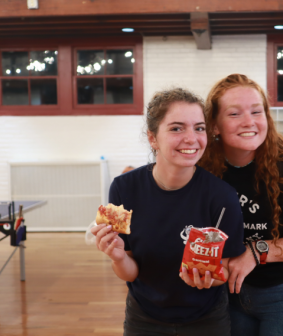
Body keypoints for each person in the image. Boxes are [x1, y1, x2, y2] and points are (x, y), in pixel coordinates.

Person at [91, 88, 245, 336]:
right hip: (144, 316)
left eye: (199, 127)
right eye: (176, 128)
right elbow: (129, 272)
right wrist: (118, 256)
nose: (192, 138)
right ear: (153, 138)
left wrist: (209, 278)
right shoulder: (122, 188)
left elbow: (224, 270)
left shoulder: (223, 196)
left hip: (206, 318)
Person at [199, 74, 283, 336]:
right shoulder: (203, 171)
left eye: (256, 112)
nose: (249, 122)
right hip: (227, 291)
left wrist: (256, 251)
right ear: (214, 125)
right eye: (234, 114)